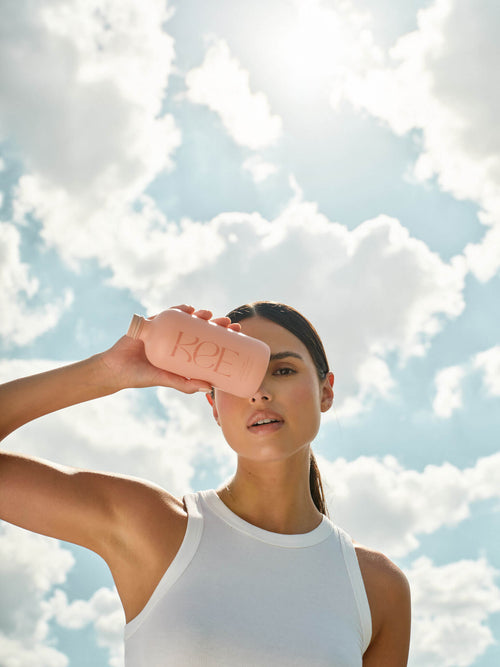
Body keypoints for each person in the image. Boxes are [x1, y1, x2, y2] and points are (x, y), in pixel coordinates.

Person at [0, 302, 411, 666]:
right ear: (213, 405)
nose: (260, 392)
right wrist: (107, 372)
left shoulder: (378, 587)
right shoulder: (151, 527)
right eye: (236, 378)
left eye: (283, 370)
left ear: (325, 391)